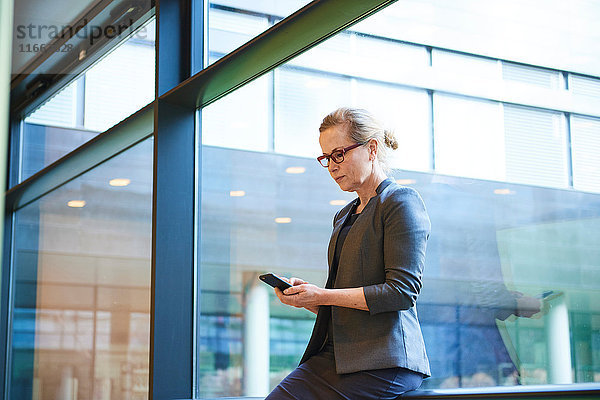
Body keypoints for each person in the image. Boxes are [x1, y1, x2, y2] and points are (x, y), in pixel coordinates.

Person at [265, 107, 431, 399]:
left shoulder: (401, 201)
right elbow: (347, 306)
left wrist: (322, 295)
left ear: (371, 149)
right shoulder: (344, 215)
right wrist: (308, 300)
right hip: (339, 357)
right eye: (326, 158)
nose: (332, 166)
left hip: (385, 361)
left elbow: (401, 293)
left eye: (339, 154)